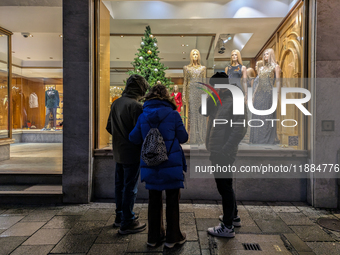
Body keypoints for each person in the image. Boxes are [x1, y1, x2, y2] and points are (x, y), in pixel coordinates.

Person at [129, 84, 188, 248]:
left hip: (151, 165)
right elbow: (183, 137)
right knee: (172, 200)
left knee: (154, 200)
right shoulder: (174, 114)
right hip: (171, 163)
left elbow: (133, 138)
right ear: (166, 96)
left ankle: (154, 237)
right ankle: (173, 237)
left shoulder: (143, 116)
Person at [202, 72, 247, 237]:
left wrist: (225, 149)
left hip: (223, 151)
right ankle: (233, 216)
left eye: (214, 86)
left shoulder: (235, 101)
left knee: (224, 188)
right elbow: (203, 111)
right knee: (226, 185)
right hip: (217, 149)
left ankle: (227, 227)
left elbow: (240, 129)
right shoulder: (218, 101)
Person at [106, 74, 149, 235]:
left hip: (118, 150)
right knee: (130, 187)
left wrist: (119, 136)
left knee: (119, 185)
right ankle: (127, 221)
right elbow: (140, 132)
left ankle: (119, 217)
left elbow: (109, 127)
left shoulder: (116, 103)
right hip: (131, 152)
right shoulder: (137, 106)